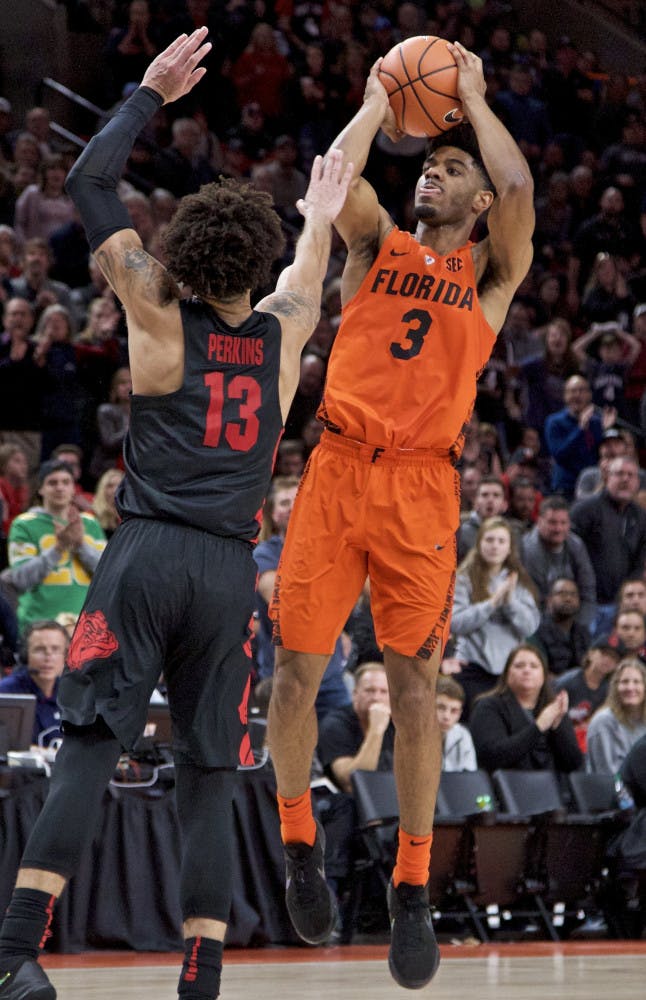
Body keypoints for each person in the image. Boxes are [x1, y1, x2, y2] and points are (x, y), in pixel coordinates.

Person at [0, 29, 352, 1000]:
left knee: (89, 744)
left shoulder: (156, 308)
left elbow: (90, 186)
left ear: (189, 251)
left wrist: (147, 95)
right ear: (255, 257)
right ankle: (201, 972)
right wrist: (318, 212)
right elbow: (307, 268)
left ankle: (14, 950)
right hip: (228, 574)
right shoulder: (283, 336)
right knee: (207, 773)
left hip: (147, 552)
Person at [266, 40, 534, 990]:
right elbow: (335, 181)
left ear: (477, 206)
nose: (435, 170)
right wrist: (383, 96)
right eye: (431, 161)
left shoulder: (492, 277)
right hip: (338, 466)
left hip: (424, 487)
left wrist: (467, 97)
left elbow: (517, 181)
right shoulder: (378, 242)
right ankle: (299, 839)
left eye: (450, 167)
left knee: (417, 689)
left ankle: (411, 887)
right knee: (295, 679)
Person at [450, 517, 541, 715]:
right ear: (479, 543)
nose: (495, 546)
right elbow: (455, 622)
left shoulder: (520, 581)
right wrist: (492, 604)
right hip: (473, 667)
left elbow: (530, 627)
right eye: (489, 540)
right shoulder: (463, 578)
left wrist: (509, 603)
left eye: (501, 541)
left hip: (510, 672)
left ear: (509, 548)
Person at [5, 459, 106, 635]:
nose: (60, 487)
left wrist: (81, 544)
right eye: (52, 482)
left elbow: (108, 575)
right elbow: (21, 579)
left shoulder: (90, 523)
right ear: (41, 489)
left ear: (74, 488)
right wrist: (59, 548)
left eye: (66, 482)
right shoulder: (24, 524)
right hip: (40, 626)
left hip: (86, 628)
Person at [469, 643, 583, 774]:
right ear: (506, 673)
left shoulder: (552, 708)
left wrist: (558, 726)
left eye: (534, 666)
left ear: (544, 676)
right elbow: (493, 757)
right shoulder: (488, 706)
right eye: (519, 666)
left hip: (550, 788)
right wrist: (538, 727)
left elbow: (573, 763)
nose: (527, 670)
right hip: (505, 788)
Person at [570, 456, 646, 640]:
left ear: (637, 482)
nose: (625, 479)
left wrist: (628, 598)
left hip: (621, 606)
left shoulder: (640, 516)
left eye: (631, 475)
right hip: (588, 602)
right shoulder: (584, 510)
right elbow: (569, 553)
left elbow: (641, 559)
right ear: (606, 478)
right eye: (619, 474)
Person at [317, 661, 394, 794]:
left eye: (384, 692)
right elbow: (351, 781)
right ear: (355, 694)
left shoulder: (397, 724)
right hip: (349, 805)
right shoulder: (335, 724)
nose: (376, 698)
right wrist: (376, 730)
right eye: (369, 691)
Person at [520, 495, 596, 629]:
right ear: (539, 521)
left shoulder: (576, 544)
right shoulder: (528, 549)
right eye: (552, 522)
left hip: (573, 614)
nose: (558, 529)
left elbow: (587, 589)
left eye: (563, 523)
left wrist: (581, 627)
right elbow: (535, 598)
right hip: (538, 618)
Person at [544, 374, 615, 501]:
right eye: (572, 391)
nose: (577, 395)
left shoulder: (596, 422)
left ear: (589, 395)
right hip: (566, 487)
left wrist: (606, 430)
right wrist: (580, 429)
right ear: (565, 396)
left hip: (593, 485)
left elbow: (600, 454)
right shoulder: (554, 422)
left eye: (581, 390)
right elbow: (559, 454)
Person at [0, 619, 68, 746]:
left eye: (55, 649)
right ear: (25, 655)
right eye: (40, 649)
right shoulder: (6, 692)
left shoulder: (74, 693)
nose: (48, 657)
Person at [554, 643, 621, 753]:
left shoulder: (611, 689)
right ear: (590, 654)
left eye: (614, 658)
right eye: (604, 654)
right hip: (561, 739)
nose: (608, 660)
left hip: (590, 742)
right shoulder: (567, 682)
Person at [586, 659, 646, 774]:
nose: (630, 687)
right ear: (615, 688)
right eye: (624, 682)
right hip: (612, 788)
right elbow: (605, 773)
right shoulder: (603, 722)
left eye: (637, 682)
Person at [529, 578, 592, 678]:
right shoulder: (536, 631)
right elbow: (538, 670)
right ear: (549, 600)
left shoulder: (583, 632)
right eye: (561, 594)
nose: (568, 598)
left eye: (573, 594)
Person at [435, 675, 477, 772]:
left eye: (454, 711)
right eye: (441, 707)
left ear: (460, 713)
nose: (446, 716)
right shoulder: (415, 736)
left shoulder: (463, 735)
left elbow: (469, 776)